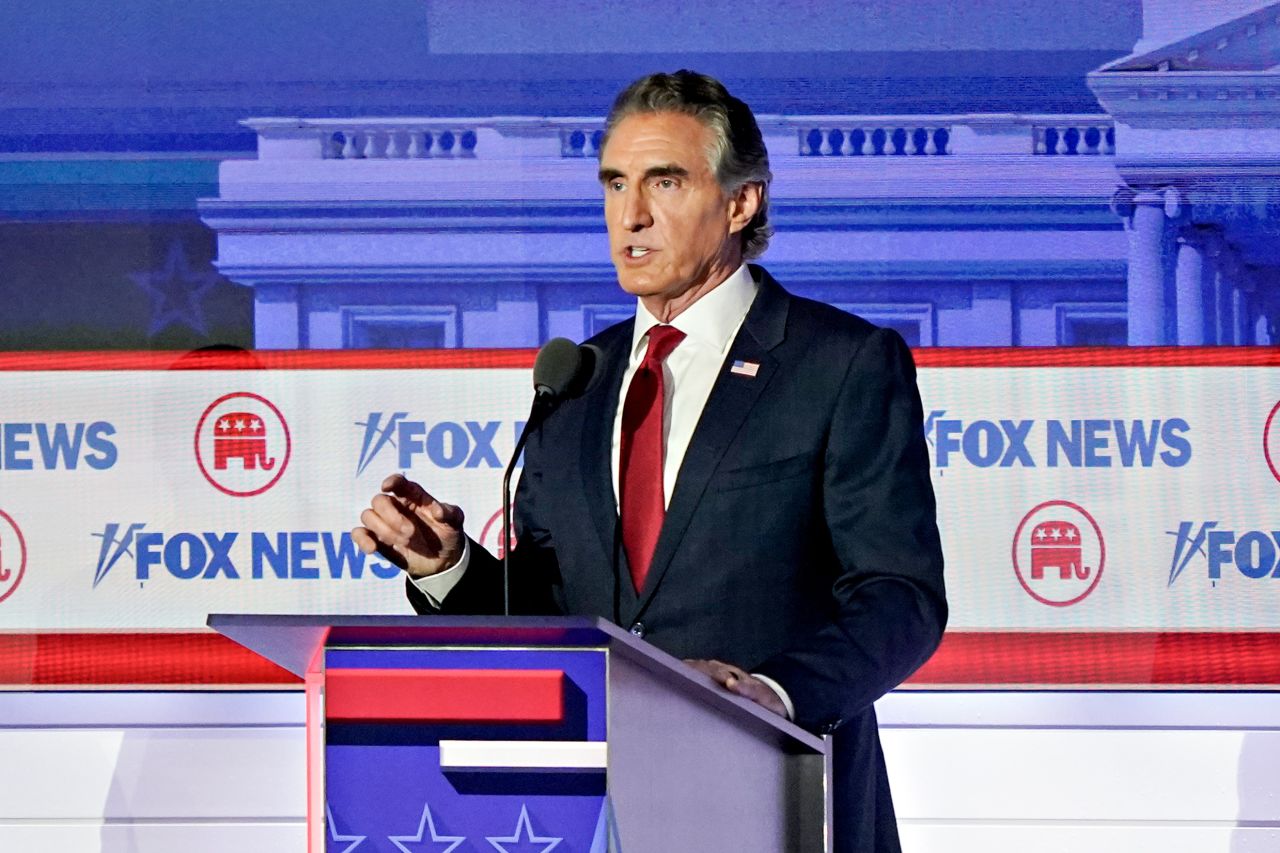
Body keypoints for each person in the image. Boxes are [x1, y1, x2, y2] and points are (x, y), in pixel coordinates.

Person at [353, 70, 946, 853]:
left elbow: (899, 596)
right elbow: (553, 609)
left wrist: (771, 693)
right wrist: (450, 566)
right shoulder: (577, 379)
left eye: (664, 182)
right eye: (615, 184)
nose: (630, 216)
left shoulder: (839, 364)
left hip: (782, 797)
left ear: (743, 202)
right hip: (592, 812)